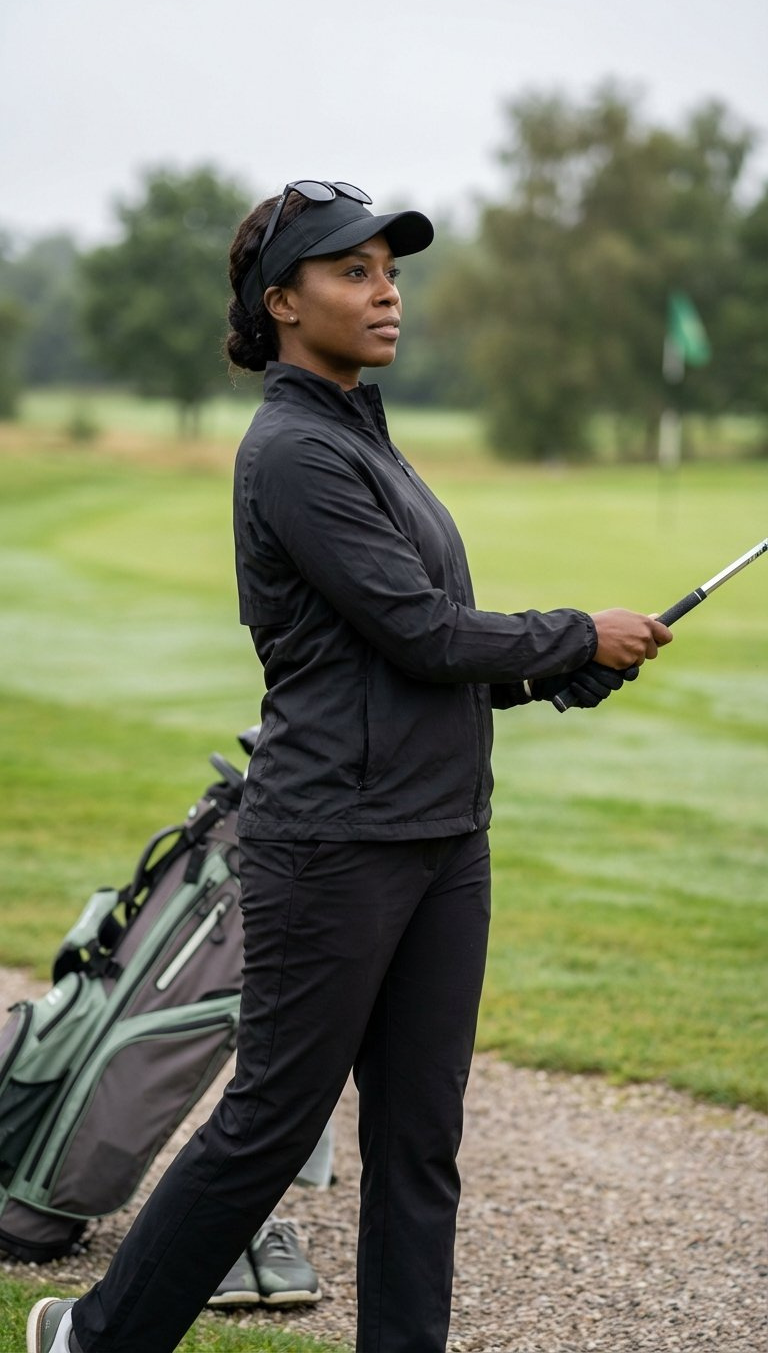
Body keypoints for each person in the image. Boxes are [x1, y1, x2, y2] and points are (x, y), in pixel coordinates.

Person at [27, 178, 672, 1353]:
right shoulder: (291, 452)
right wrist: (578, 631)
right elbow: (421, 630)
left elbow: (409, 656)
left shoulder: (366, 438)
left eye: (391, 271)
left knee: (422, 1135)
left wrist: (546, 673)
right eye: (353, 272)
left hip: (440, 836)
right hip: (332, 843)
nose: (387, 294)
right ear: (282, 302)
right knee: (272, 1121)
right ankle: (94, 1337)